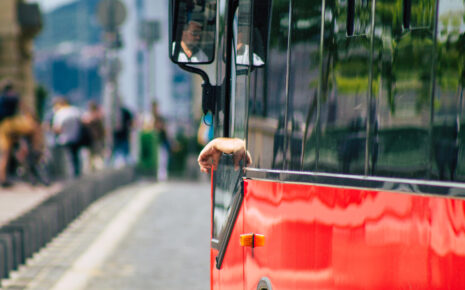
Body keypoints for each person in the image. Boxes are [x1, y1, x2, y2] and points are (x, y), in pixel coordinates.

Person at [0, 80, 42, 187]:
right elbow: (24, 108)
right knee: (35, 128)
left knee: (5, 154)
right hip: (12, 123)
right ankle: (36, 149)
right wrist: (34, 117)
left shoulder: (1, 98)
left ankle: (2, 178)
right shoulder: (12, 96)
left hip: (2, 127)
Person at [52, 97, 82, 177]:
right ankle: (77, 174)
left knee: (66, 160)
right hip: (76, 138)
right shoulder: (75, 111)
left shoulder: (60, 113)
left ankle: (67, 176)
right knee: (75, 158)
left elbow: (57, 128)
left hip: (64, 139)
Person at [82, 101, 105, 171]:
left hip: (94, 139)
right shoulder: (99, 115)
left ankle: (96, 169)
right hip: (95, 139)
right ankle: (94, 169)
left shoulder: (93, 116)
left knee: (96, 156)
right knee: (93, 156)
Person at [152, 102, 171, 181]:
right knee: (160, 159)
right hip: (156, 143)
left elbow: (166, 131)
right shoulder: (151, 118)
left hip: (163, 142)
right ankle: (159, 175)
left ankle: (162, 176)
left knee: (163, 159)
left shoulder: (160, 118)